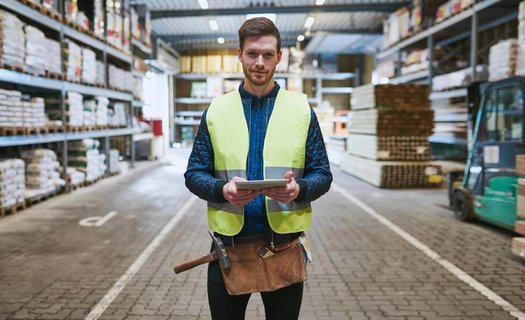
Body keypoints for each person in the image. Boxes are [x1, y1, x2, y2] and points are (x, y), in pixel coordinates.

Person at [184, 17, 332, 320]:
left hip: (283, 248)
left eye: (268, 54)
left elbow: (322, 173)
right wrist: (220, 190)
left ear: (279, 57)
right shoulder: (216, 110)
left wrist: (299, 189)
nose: (260, 63)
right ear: (239, 54)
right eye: (252, 54)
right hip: (229, 249)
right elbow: (194, 173)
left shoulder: (301, 110)